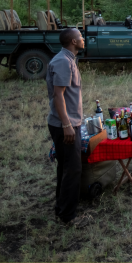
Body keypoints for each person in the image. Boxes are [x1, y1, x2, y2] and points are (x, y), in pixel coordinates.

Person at [46, 28, 90, 227]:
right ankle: (68, 216)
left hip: (68, 122)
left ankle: (61, 208)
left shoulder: (68, 59)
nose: (83, 39)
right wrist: (67, 125)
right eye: (81, 37)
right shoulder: (63, 62)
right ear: (73, 41)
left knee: (65, 167)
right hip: (65, 124)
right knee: (73, 169)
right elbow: (58, 95)